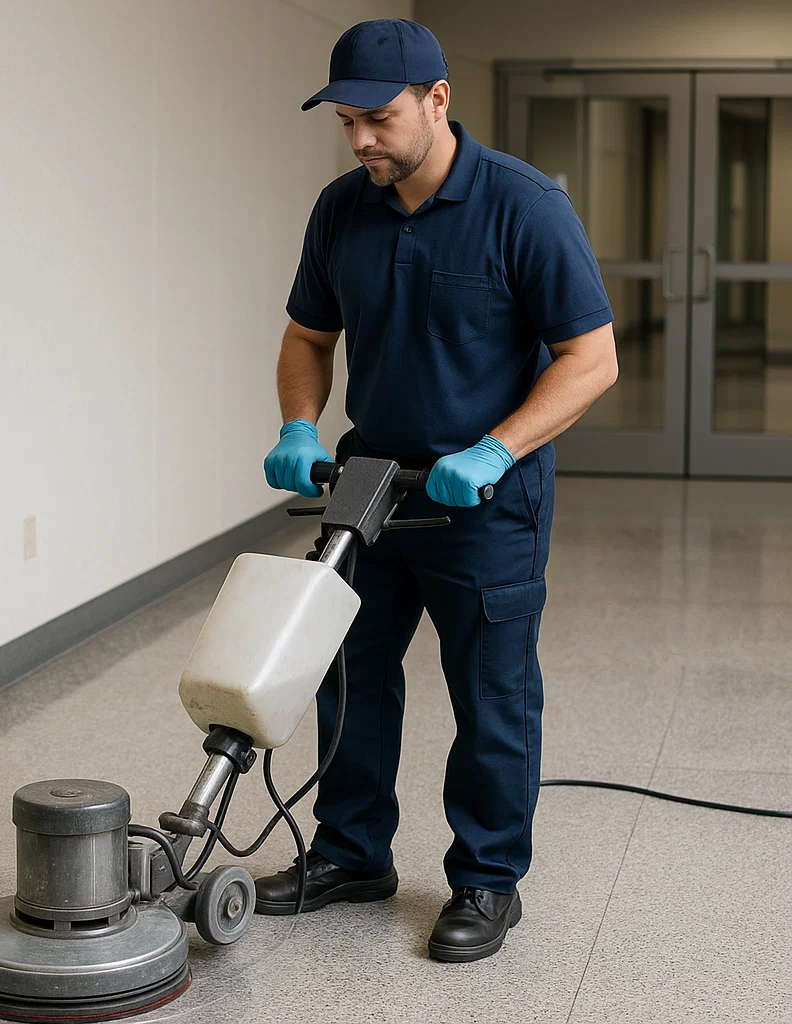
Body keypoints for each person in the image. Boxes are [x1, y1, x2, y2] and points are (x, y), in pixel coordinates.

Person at [255, 19, 618, 964]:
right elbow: (308, 337)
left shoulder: (523, 207)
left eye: (378, 117)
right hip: (371, 485)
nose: (363, 139)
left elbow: (592, 359)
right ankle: (351, 855)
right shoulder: (342, 209)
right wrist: (301, 423)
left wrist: (497, 451)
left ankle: (488, 882)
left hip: (483, 501)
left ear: (438, 99)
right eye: (347, 122)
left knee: (491, 693)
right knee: (347, 673)